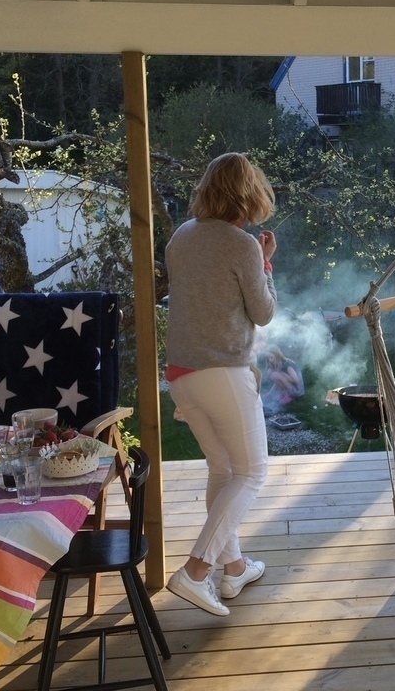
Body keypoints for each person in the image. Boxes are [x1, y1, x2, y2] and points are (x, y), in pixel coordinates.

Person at [164, 152, 277, 617]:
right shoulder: (242, 244)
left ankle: (233, 570)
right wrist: (267, 264)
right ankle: (195, 570)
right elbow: (264, 313)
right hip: (222, 373)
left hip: (180, 376)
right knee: (252, 473)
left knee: (223, 471)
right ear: (247, 195)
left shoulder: (179, 238)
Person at [261, 345, 305, 415]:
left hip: (297, 390)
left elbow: (296, 381)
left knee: (275, 374)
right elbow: (277, 382)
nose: (270, 360)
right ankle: (284, 394)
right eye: (268, 358)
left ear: (277, 355)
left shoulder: (287, 364)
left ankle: (289, 396)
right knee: (271, 372)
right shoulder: (277, 364)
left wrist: (283, 374)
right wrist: (269, 393)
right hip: (291, 387)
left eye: (271, 357)